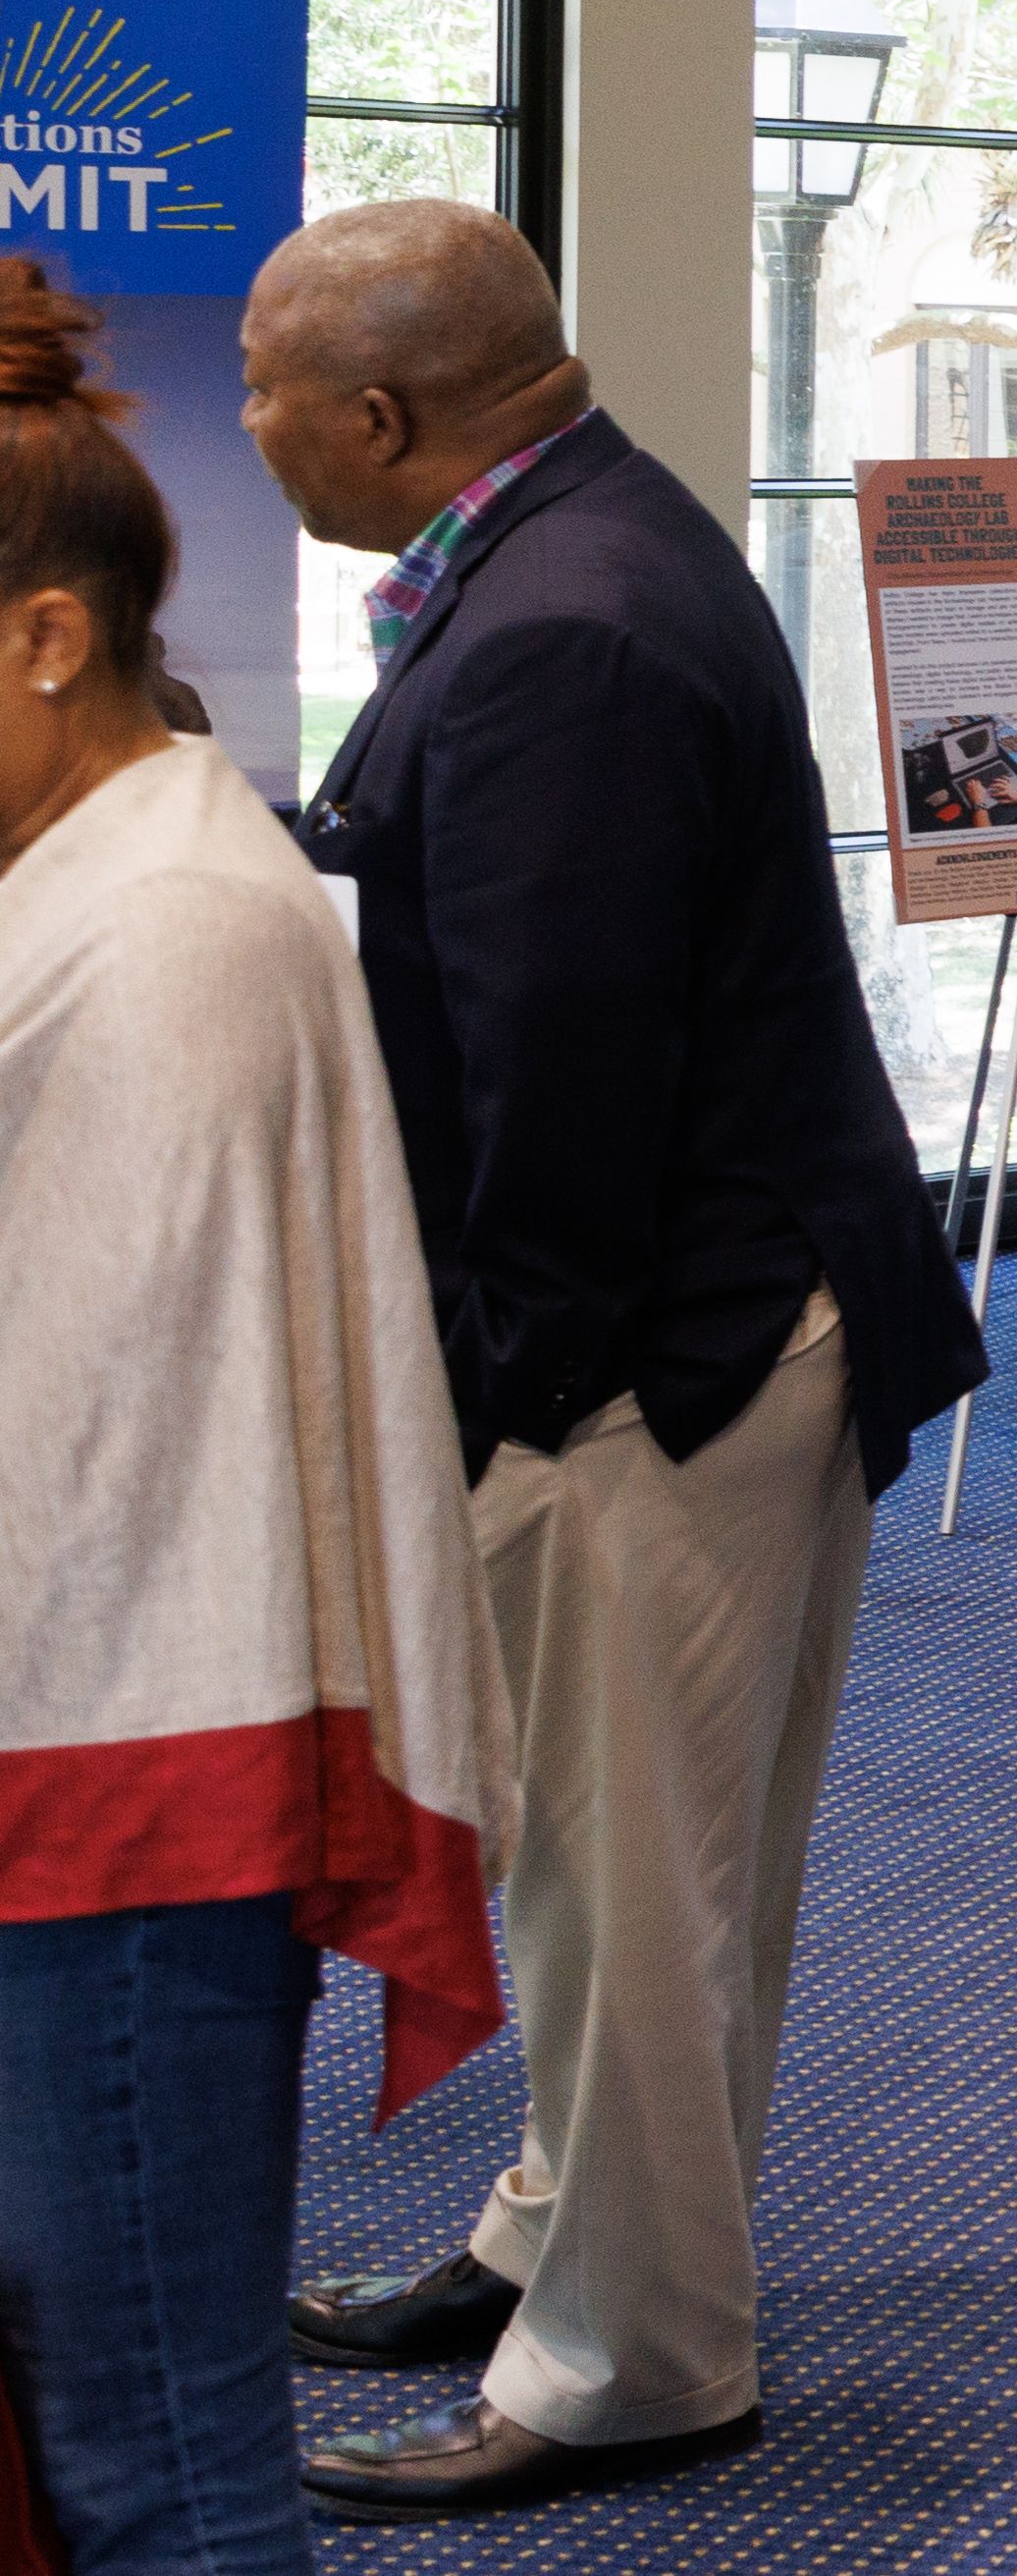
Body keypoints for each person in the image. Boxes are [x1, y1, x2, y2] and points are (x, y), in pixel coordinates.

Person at [230, 202, 991, 2522]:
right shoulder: (583, 531)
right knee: (616, 1858)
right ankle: (565, 2228)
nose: (244, 420)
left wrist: (495, 1403)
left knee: (620, 1865)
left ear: (374, 415)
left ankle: (637, 2353)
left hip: (661, 1346)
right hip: (730, 1294)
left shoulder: (568, 621)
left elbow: (559, 1075)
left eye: (264, 385)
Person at [0, 260, 507, 2576]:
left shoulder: (179, 928)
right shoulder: (93, 871)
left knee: (162, 2456)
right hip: (91, 1782)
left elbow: (110, 1467)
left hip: (124, 1802)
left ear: (45, 640)